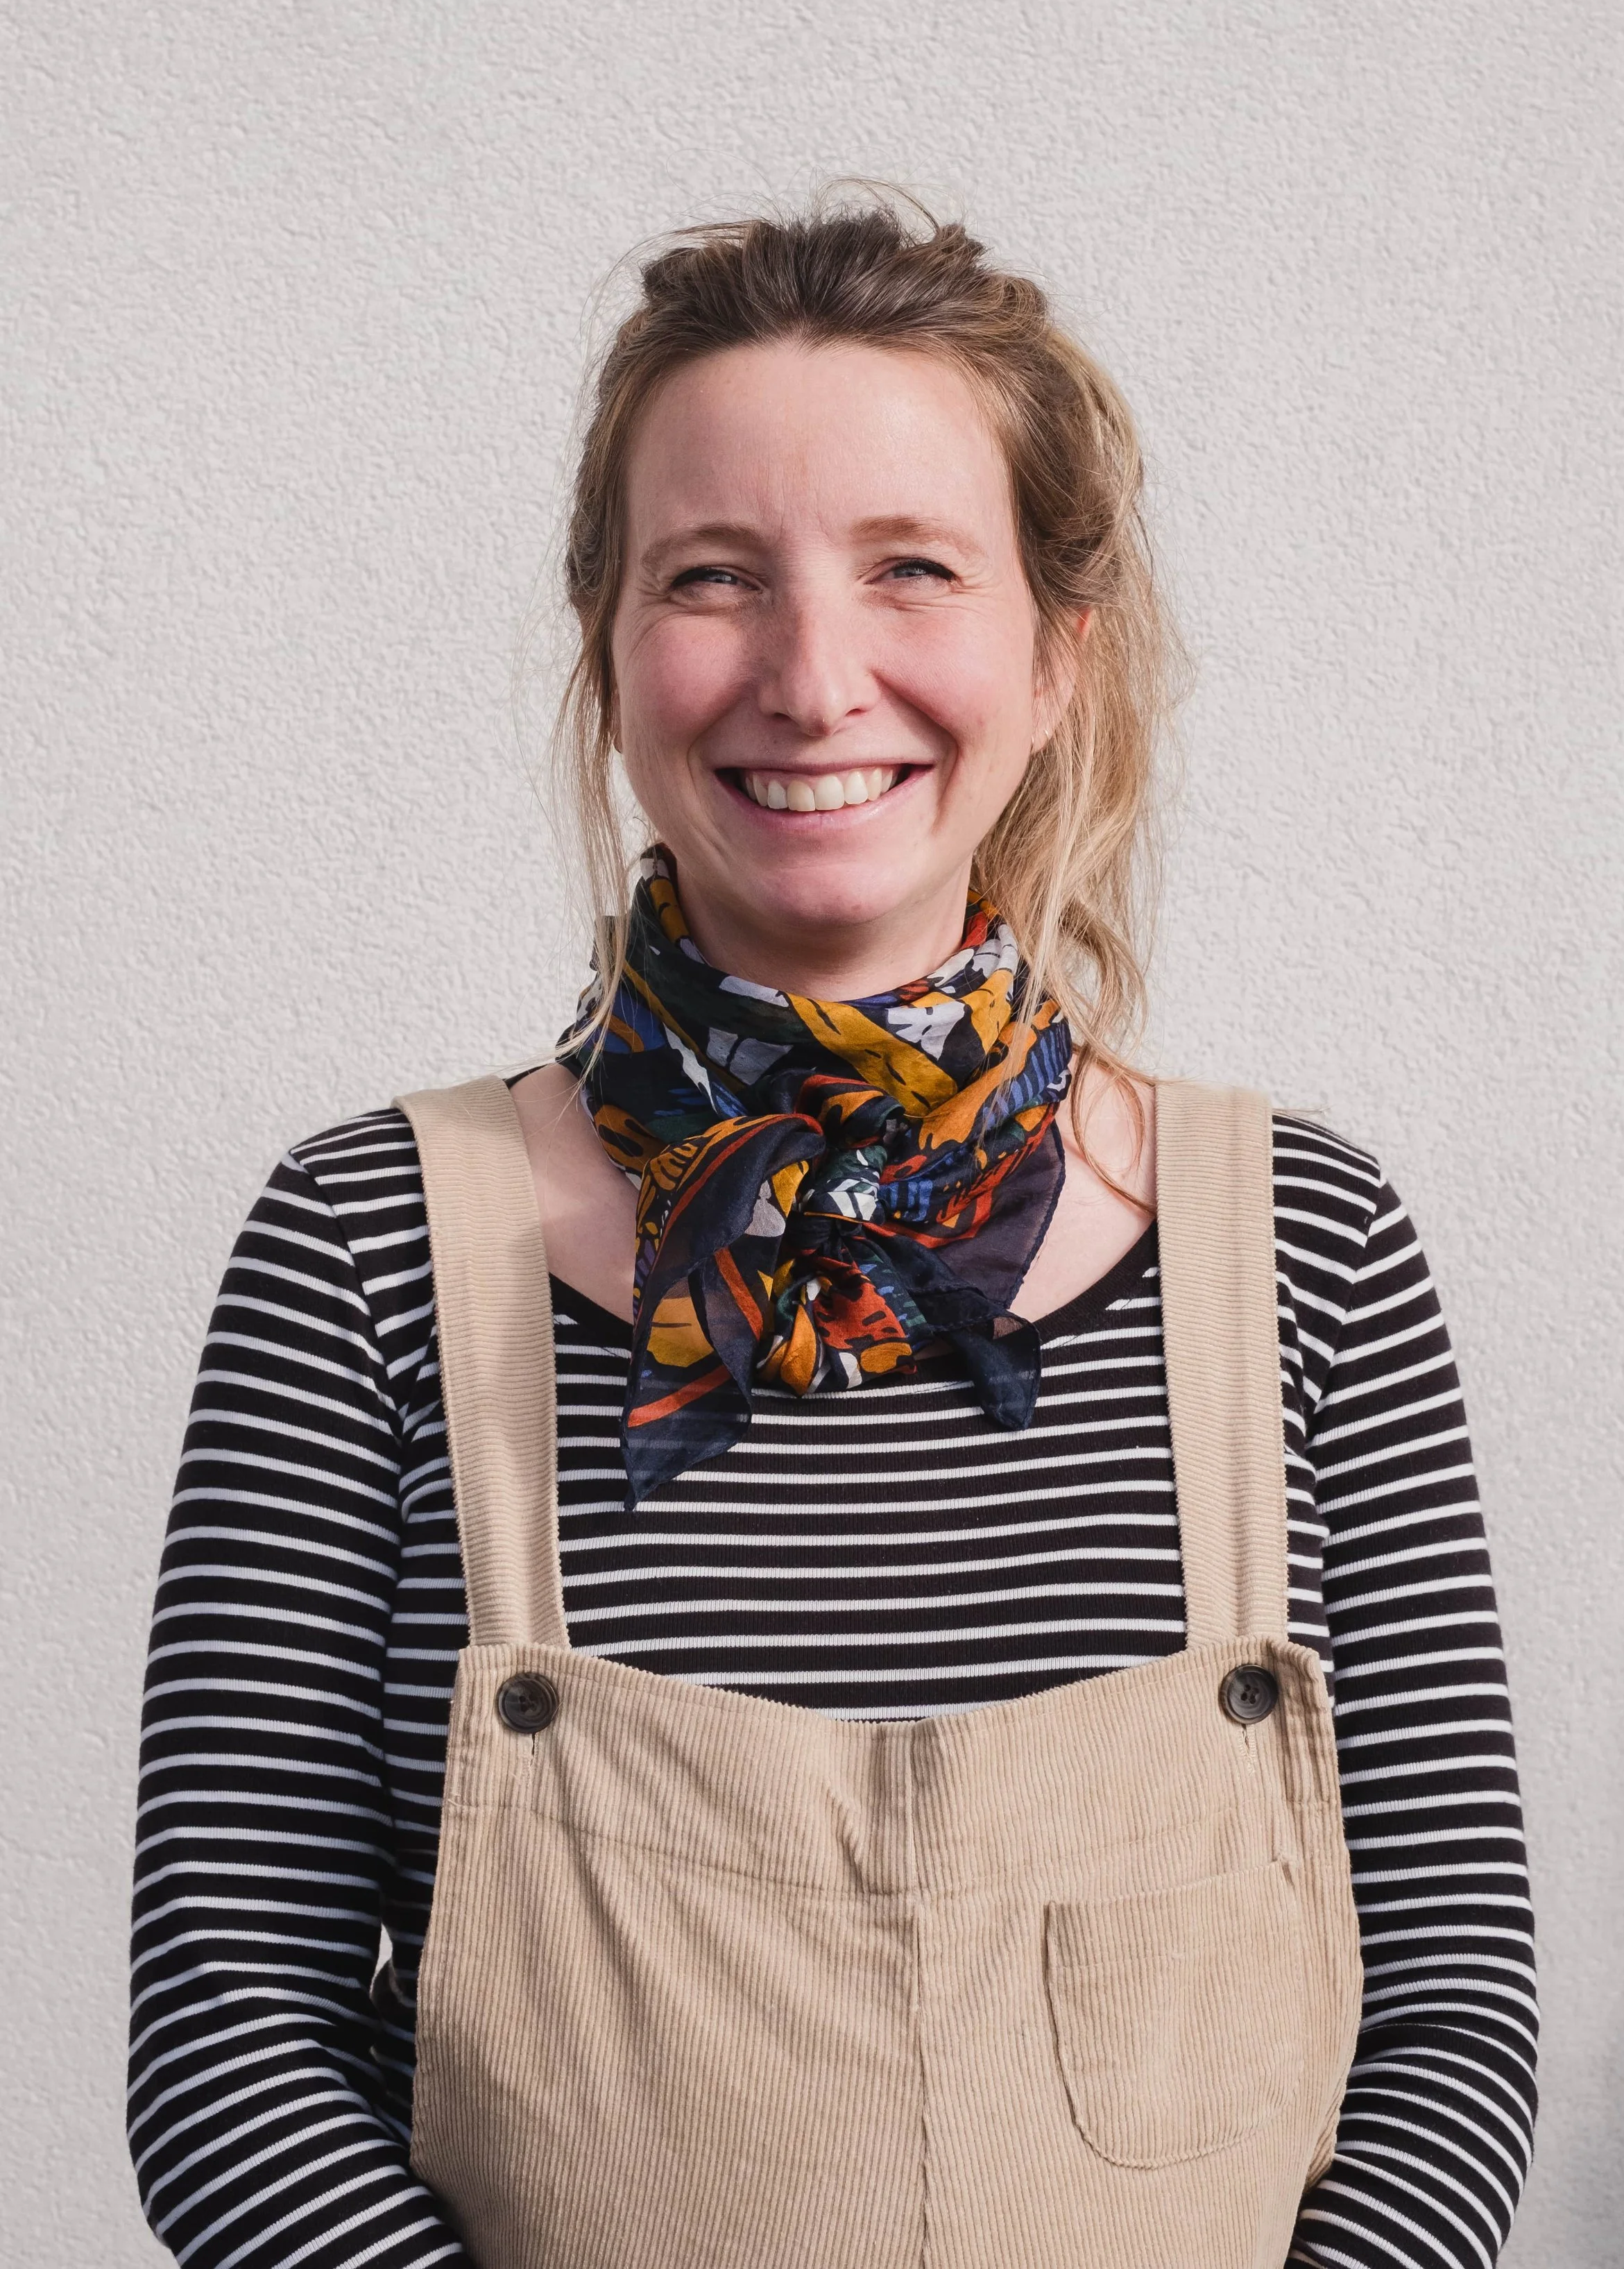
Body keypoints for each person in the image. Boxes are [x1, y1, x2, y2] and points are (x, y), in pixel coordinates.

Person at [129, 197, 1538, 2269]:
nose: (812, 675)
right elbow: (229, 2043)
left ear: (1057, 654)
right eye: (714, 578)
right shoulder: (364, 1245)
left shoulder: (1300, 1247)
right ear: (610, 653)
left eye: (910, 569)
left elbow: (1442, 2018)